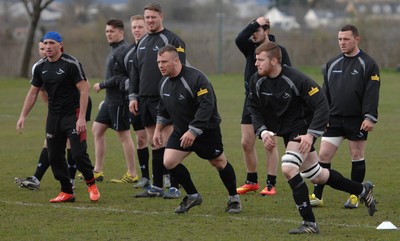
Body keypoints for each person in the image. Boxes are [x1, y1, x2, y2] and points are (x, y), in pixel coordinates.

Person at [247, 41, 377, 234]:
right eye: (256, 60)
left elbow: (321, 104)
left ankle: (310, 223)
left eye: (260, 60)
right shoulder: (256, 80)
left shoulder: (296, 78)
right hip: (285, 131)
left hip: (302, 128)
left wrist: (311, 134)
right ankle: (362, 190)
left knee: (289, 168)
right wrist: (263, 131)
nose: (256, 64)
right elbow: (253, 108)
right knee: (318, 175)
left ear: (274, 61)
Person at [153, 45, 242, 214]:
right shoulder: (163, 82)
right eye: (158, 62)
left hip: (206, 131)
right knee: (169, 162)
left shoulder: (196, 78)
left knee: (219, 163)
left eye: (164, 61)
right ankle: (193, 195)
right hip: (181, 130)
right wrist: (158, 129)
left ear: (176, 61)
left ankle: (234, 198)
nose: (160, 65)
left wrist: (193, 131)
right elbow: (163, 109)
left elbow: (207, 106)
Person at [16, 31, 100, 203]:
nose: (47, 46)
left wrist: (82, 117)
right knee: (54, 156)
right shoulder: (40, 67)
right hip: (54, 117)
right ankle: (67, 191)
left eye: (51, 43)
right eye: (45, 43)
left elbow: (84, 89)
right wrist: (22, 115)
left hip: (73, 114)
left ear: (60, 45)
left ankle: (91, 184)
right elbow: (33, 93)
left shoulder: (71, 64)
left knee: (77, 154)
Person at [309, 24, 381, 209]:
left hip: (357, 120)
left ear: (357, 39)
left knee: (356, 155)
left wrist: (370, 117)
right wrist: (322, 118)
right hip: (333, 119)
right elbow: (325, 95)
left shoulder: (368, 63)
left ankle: (355, 195)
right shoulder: (331, 64)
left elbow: (372, 93)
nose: (342, 42)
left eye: (346, 39)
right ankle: (317, 196)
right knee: (323, 155)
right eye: (340, 39)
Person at [129, 3, 185, 198]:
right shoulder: (142, 41)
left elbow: (180, 71)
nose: (150, 21)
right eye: (147, 18)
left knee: (170, 142)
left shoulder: (172, 39)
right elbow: (135, 71)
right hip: (144, 99)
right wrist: (133, 96)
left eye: (153, 17)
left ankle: (175, 187)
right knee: (155, 142)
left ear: (161, 16)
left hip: (164, 99)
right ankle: (157, 186)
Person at [235, 16, 292, 196]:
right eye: (251, 31)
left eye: (257, 31)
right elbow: (238, 38)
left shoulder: (279, 51)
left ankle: (270, 183)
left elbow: (288, 74)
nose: (252, 35)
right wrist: (254, 23)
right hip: (251, 101)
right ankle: (251, 181)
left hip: (271, 102)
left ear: (266, 31)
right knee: (246, 142)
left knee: (269, 142)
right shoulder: (250, 48)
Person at [92, 18, 138, 183]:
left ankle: (132, 174)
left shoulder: (123, 50)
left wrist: (101, 85)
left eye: (111, 31)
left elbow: (121, 78)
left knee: (124, 136)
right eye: (106, 31)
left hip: (120, 101)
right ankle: (97, 170)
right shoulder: (114, 50)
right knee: (97, 130)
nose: (108, 34)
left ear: (121, 32)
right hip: (109, 101)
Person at [112, 15, 151, 188]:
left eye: (139, 27)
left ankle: (167, 176)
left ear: (147, 28)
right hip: (134, 102)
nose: (136, 30)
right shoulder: (126, 52)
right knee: (141, 139)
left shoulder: (154, 49)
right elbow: (117, 73)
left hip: (154, 101)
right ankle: (145, 177)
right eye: (134, 27)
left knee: (159, 139)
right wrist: (128, 83)